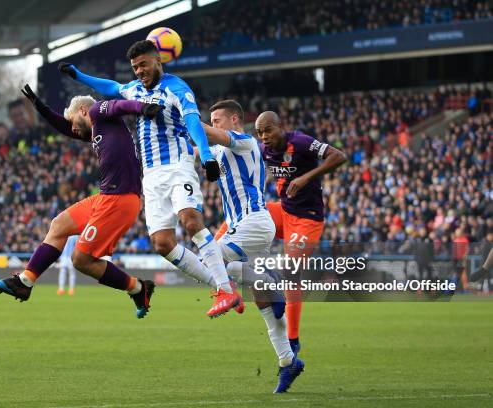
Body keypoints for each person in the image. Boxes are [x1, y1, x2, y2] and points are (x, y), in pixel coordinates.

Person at [59, 40, 241, 318]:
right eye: (135, 67)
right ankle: (222, 287)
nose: (140, 71)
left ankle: (226, 290)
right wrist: (79, 76)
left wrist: (206, 155)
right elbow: (111, 87)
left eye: (144, 64)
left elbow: (193, 120)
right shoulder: (133, 89)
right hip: (152, 175)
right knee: (162, 244)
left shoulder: (177, 88)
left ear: (158, 60)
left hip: (178, 165)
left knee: (190, 219)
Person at [0, 85, 159, 318]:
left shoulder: (98, 110)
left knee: (81, 260)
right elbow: (65, 127)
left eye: (74, 122)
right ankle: (25, 282)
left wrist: (142, 108)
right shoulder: (98, 128)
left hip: (120, 199)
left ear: (82, 110)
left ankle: (139, 288)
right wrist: (41, 108)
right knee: (59, 225)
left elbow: (120, 105)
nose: (73, 129)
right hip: (106, 196)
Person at [202, 100, 304, 393]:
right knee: (266, 306)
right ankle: (288, 362)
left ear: (235, 120)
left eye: (217, 119)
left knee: (209, 257)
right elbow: (196, 147)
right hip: (245, 226)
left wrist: (187, 116)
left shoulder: (244, 141)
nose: (214, 124)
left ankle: (257, 283)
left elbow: (209, 135)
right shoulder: (220, 150)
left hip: (254, 222)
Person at [255, 111, 347, 354]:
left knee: (291, 270)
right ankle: (222, 278)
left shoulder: (302, 142)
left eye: (268, 130)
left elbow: (339, 156)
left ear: (280, 127)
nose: (264, 136)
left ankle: (292, 339)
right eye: (259, 133)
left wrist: (306, 177)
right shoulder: (264, 150)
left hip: (307, 219)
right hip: (283, 211)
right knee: (246, 217)